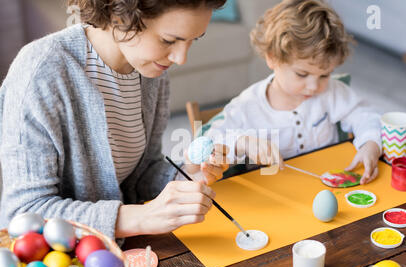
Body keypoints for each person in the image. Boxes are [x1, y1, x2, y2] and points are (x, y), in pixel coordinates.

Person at [0, 0, 230, 241]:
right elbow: (23, 216)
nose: (181, 58)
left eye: (194, 39)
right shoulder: (41, 72)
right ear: (121, 16)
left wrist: (183, 174)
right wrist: (141, 217)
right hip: (61, 265)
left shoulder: (150, 73)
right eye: (168, 40)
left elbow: (138, 175)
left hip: (119, 250)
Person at [203, 0, 382, 184]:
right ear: (272, 58)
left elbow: (366, 116)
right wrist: (241, 143)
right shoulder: (247, 106)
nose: (313, 86)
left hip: (326, 187)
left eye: (324, 75)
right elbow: (206, 145)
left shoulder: (331, 92)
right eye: (302, 74)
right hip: (275, 200)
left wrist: (370, 144)